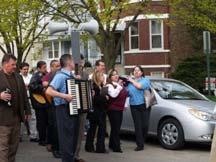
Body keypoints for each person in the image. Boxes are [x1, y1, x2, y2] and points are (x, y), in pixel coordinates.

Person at [46, 54, 79, 162]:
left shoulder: (70, 76)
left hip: (71, 110)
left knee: (72, 139)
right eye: (73, 61)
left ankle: (71, 159)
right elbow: (49, 91)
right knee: (66, 140)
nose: (74, 63)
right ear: (69, 62)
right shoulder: (60, 76)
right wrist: (65, 96)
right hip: (63, 109)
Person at [0, 54, 31, 162]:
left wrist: (28, 111)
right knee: (3, 148)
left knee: (13, 147)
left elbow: (24, 96)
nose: (15, 67)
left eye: (15, 64)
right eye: (12, 64)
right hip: (2, 120)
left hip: (16, 118)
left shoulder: (18, 76)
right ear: (4, 64)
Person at [127, 65, 151, 151]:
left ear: (142, 72)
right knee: (138, 126)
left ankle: (142, 140)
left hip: (144, 105)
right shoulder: (129, 83)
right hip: (134, 106)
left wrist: (131, 80)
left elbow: (139, 86)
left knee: (145, 125)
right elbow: (127, 93)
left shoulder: (145, 80)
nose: (136, 72)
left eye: (138, 70)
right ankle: (140, 144)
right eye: (135, 70)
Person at [85, 71, 108, 153]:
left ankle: (96, 147)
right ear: (97, 77)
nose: (103, 77)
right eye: (102, 76)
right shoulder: (94, 87)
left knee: (98, 130)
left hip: (101, 111)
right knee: (94, 130)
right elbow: (96, 100)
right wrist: (105, 98)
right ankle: (95, 147)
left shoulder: (102, 86)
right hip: (95, 111)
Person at [42, 60, 61, 158]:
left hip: (59, 104)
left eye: (59, 66)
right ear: (52, 67)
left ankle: (54, 145)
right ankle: (53, 147)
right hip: (51, 104)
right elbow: (44, 84)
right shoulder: (49, 75)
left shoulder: (60, 74)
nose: (58, 68)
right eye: (56, 66)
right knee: (53, 125)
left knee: (56, 126)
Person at [106, 69, 128, 153]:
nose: (116, 76)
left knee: (116, 127)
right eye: (113, 75)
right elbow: (114, 95)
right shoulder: (109, 85)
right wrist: (119, 86)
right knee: (115, 128)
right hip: (112, 109)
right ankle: (116, 147)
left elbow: (125, 94)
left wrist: (125, 105)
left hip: (119, 109)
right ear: (110, 77)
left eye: (117, 74)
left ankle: (112, 144)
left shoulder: (120, 85)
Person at [29, 61, 48, 146]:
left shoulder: (46, 75)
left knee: (46, 121)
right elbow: (32, 86)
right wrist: (42, 87)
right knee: (41, 122)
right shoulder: (36, 76)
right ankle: (42, 140)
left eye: (46, 67)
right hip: (39, 103)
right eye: (44, 67)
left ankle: (46, 139)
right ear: (39, 68)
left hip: (45, 102)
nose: (45, 69)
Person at [20, 62, 38, 142]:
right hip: (21, 100)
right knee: (20, 118)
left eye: (27, 69)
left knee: (32, 117)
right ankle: (19, 136)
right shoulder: (18, 77)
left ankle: (33, 135)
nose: (26, 71)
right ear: (20, 69)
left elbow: (34, 86)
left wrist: (30, 86)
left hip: (30, 99)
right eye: (24, 69)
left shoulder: (31, 77)